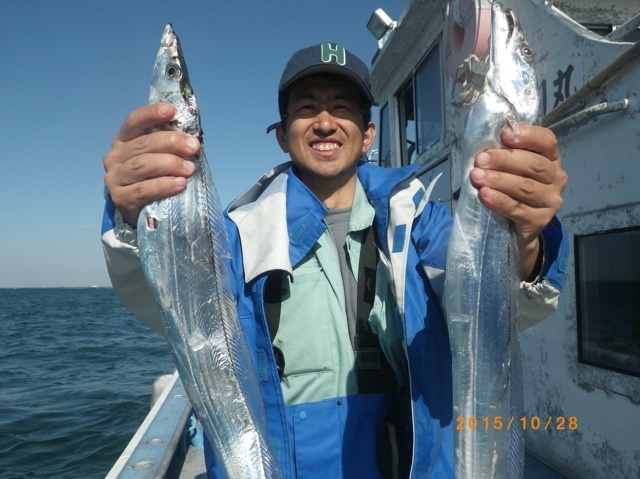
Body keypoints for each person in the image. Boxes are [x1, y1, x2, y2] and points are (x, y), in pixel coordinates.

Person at [101, 43, 568, 478]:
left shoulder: (421, 220)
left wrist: (525, 243)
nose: (325, 122)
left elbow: (492, 310)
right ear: (282, 135)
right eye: (307, 108)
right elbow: (173, 305)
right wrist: (137, 218)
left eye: (342, 108)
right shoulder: (238, 233)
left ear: (368, 135)